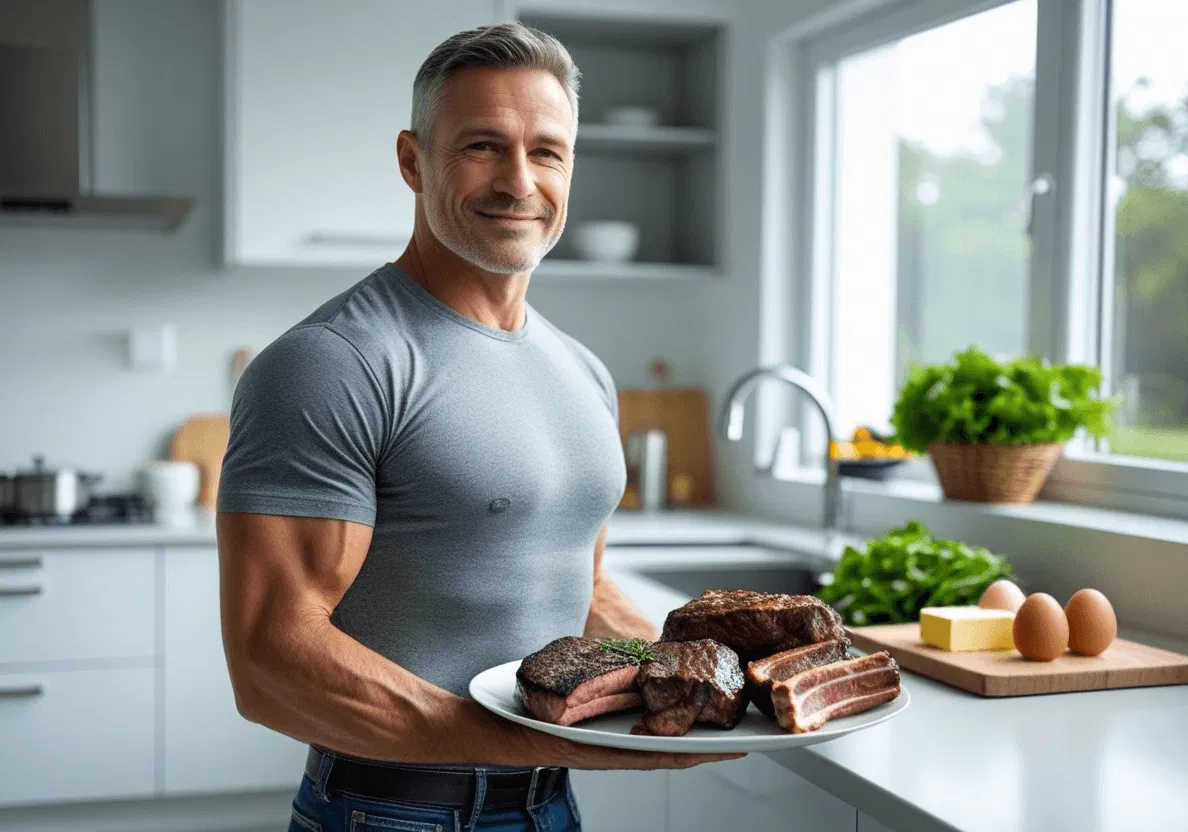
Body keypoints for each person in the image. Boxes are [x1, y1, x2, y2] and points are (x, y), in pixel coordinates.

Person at [216, 22, 740, 832]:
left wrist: (710, 681)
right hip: (392, 814)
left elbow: (578, 587)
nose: (519, 181)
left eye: (547, 151)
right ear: (412, 160)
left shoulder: (586, 374)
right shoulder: (335, 361)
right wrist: (544, 745)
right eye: (482, 147)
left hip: (549, 810)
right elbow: (270, 660)